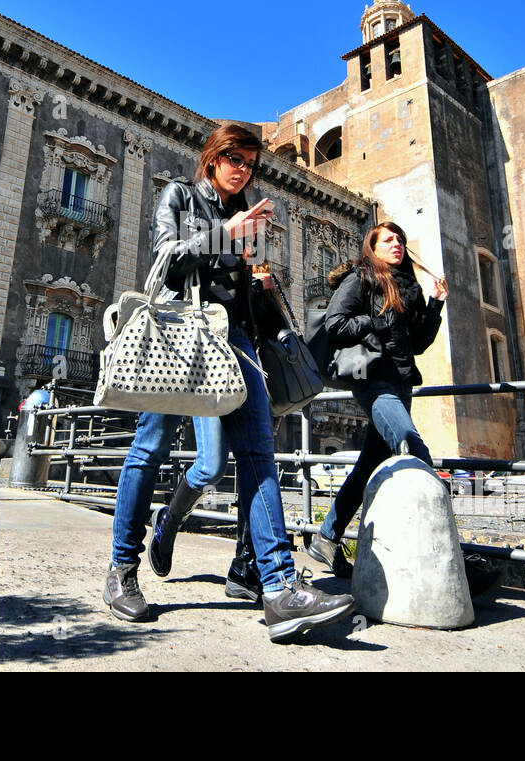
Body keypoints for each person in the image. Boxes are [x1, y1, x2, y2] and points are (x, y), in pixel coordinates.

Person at [104, 123, 356, 642]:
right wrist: (226, 234)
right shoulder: (179, 195)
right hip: (181, 335)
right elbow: (167, 262)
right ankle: (122, 568)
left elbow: (246, 299)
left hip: (236, 340)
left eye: (250, 162)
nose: (243, 169)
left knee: (259, 454)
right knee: (149, 447)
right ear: (213, 158)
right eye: (234, 158)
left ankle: (280, 588)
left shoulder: (250, 217)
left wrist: (262, 286)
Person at [307, 222, 501, 599]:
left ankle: (327, 537)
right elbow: (335, 323)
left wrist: (435, 303)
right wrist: (375, 322)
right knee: (413, 448)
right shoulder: (361, 278)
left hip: (401, 380)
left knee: (368, 464)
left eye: (400, 240)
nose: (397, 244)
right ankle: (452, 561)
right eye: (388, 240)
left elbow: (420, 343)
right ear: (373, 247)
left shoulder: (406, 286)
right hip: (373, 380)